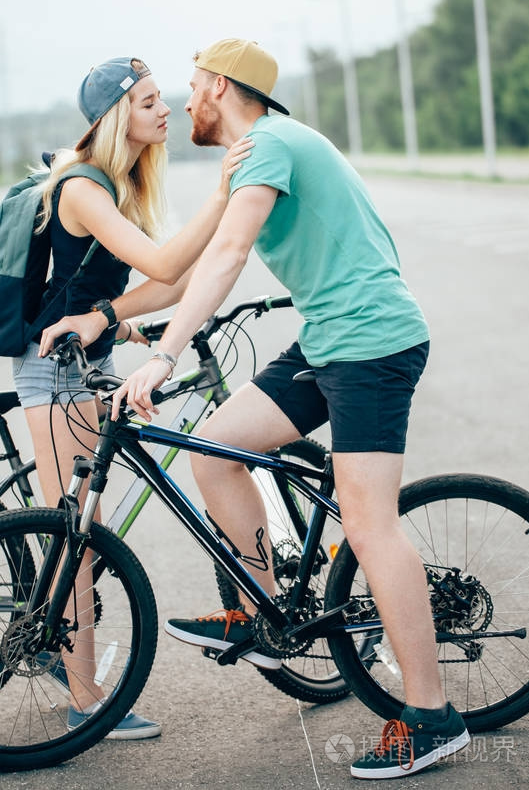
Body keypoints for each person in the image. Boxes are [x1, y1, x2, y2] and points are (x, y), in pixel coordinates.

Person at [100, 38, 470, 778]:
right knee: (215, 446)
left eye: (193, 86)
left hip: (371, 344)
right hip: (329, 340)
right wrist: (129, 323)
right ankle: (263, 610)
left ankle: (432, 714)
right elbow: (197, 267)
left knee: (367, 524)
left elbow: (230, 254)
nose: (183, 103)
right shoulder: (258, 152)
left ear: (222, 89)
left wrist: (166, 356)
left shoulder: (267, 141)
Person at [14, 55, 252, 740]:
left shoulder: (115, 184)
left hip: (86, 359)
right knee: (76, 540)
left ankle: (74, 667)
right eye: (150, 101)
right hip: (54, 370)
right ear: (119, 114)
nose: (166, 108)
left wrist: (115, 322)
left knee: (81, 530)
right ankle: (85, 700)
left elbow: (170, 288)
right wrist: (223, 193)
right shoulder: (83, 187)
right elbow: (169, 265)